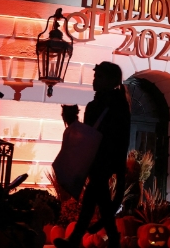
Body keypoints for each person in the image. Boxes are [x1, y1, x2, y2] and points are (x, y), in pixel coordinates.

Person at [58, 62, 131, 248]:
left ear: (112, 80)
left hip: (104, 158)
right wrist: (73, 122)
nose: (95, 81)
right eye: (95, 76)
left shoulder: (116, 104)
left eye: (99, 77)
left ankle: (76, 238)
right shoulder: (96, 104)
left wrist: (117, 164)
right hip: (96, 158)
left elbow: (118, 136)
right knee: (100, 199)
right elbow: (89, 134)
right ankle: (111, 238)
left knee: (94, 196)